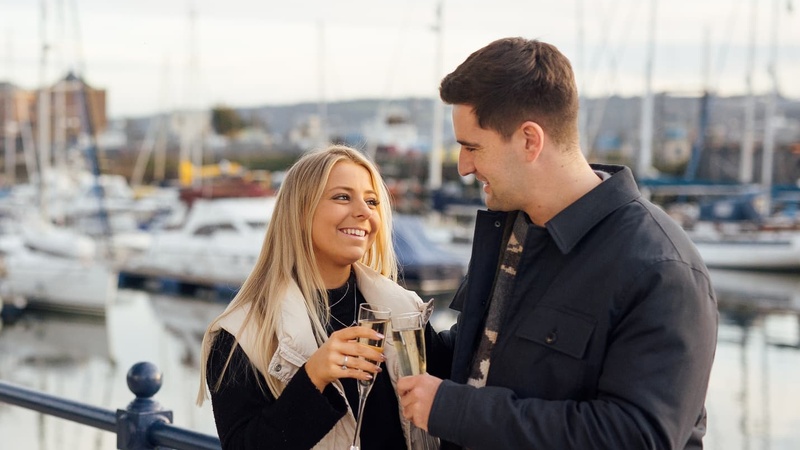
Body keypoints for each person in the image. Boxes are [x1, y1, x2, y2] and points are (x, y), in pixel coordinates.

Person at [397, 37, 719, 449]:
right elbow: (478, 354)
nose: (462, 167)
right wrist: (387, 335)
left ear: (531, 140)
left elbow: (638, 437)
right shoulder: (513, 230)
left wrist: (455, 410)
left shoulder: (663, 269)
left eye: (472, 147)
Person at [196, 145, 439, 449]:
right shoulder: (241, 334)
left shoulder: (406, 312)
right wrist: (313, 378)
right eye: (341, 197)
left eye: (372, 200)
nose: (364, 212)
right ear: (299, 213)